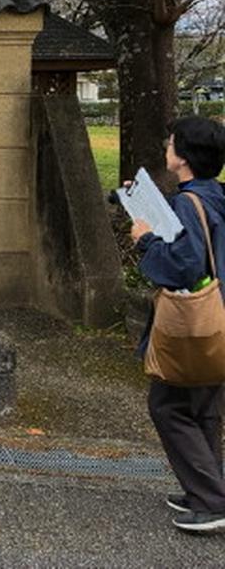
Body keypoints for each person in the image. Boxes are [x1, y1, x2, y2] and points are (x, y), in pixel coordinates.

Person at [131, 116, 225, 534]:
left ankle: (211, 500)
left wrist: (146, 240)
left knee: (168, 406)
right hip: (218, 319)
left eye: (171, 144)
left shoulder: (189, 203)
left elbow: (184, 266)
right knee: (204, 408)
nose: (167, 149)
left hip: (196, 322)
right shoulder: (214, 195)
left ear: (183, 157)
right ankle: (207, 490)